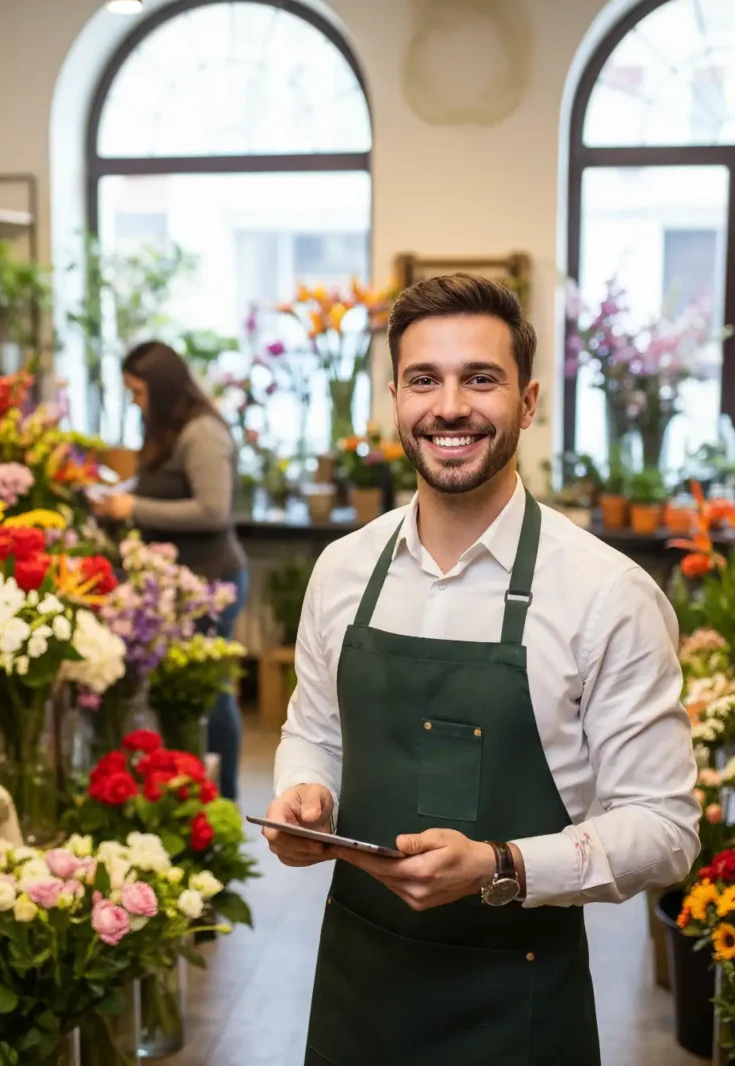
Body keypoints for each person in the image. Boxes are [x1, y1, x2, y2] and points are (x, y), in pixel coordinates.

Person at [263, 273, 699, 1066]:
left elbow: (666, 831)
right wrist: (306, 793)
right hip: (356, 995)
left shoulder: (607, 594)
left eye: (481, 379)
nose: (451, 406)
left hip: (519, 1012)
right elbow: (313, 731)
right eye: (425, 379)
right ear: (395, 397)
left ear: (527, 403)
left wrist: (501, 867)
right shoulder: (341, 571)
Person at [92, 341, 249, 800]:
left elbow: (213, 510)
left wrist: (132, 507)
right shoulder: (169, 427)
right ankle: (192, 795)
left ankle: (224, 801)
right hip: (183, 585)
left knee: (212, 697)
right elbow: (161, 484)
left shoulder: (203, 432)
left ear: (161, 388)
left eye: (139, 392)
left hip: (213, 581)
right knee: (185, 699)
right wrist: (121, 494)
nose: (136, 402)